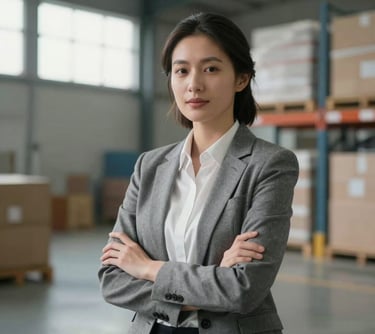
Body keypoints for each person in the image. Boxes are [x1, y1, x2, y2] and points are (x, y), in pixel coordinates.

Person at [99, 12, 299, 334]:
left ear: (241, 78)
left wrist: (148, 268)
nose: (194, 84)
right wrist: (213, 279)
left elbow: (244, 289)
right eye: (181, 70)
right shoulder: (149, 166)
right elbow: (112, 279)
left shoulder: (270, 164)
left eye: (211, 68)